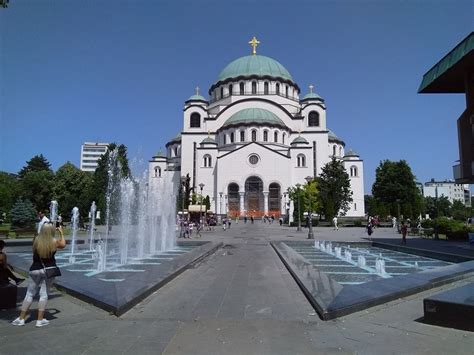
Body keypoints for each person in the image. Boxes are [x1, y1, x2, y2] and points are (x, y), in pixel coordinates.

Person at [12, 223, 66, 327]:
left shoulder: (36, 240)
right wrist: (61, 232)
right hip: (48, 270)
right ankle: (40, 320)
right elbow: (63, 244)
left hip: (35, 269)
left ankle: (21, 318)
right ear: (52, 231)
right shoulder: (54, 242)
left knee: (29, 294)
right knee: (44, 294)